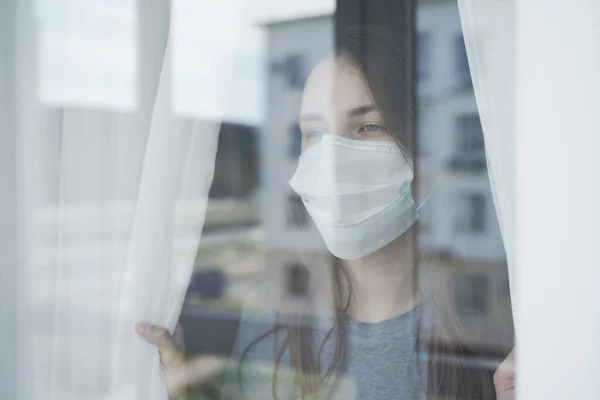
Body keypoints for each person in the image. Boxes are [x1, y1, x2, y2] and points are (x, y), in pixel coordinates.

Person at [135, 28, 515, 400]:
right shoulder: (277, 313)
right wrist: (181, 387)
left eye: (369, 125)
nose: (331, 161)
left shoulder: (491, 321)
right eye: (314, 133)